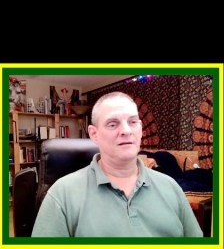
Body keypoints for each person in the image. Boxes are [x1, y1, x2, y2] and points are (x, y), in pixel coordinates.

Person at [31, 91, 203, 238]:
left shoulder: (171, 188)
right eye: (113, 124)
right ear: (94, 134)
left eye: (133, 122)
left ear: (140, 129)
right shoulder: (61, 195)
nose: (126, 131)